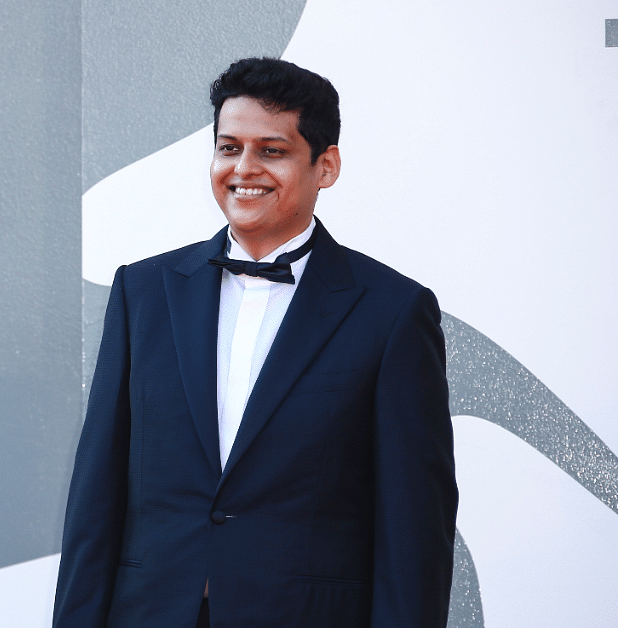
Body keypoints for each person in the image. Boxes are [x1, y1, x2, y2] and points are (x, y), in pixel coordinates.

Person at [54, 57, 457, 628]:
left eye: (272, 150)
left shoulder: (393, 312)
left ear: (326, 166)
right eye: (228, 147)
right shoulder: (142, 293)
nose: (244, 168)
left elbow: (414, 526)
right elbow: (95, 498)